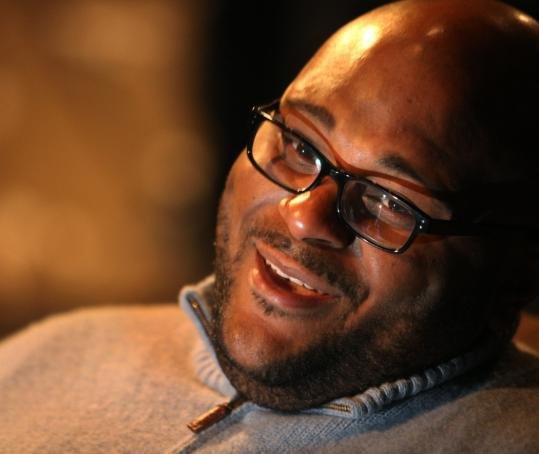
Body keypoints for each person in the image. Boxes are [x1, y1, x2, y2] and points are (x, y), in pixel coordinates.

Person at [1, 0, 538, 452]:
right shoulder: (51, 353)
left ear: (519, 270)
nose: (303, 215)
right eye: (300, 146)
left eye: (388, 200)